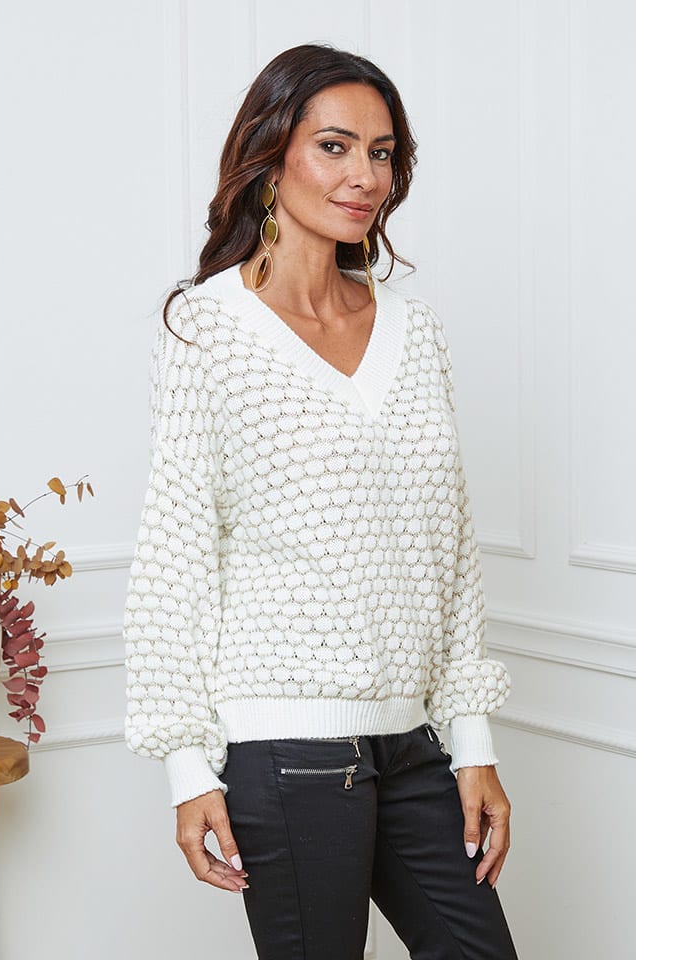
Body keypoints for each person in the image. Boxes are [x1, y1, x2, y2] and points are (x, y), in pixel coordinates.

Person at [123, 43, 519, 960]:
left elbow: (450, 551)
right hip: (285, 750)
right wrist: (188, 769)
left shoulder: (415, 330)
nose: (364, 177)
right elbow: (176, 557)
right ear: (272, 156)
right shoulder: (206, 329)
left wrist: (474, 743)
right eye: (334, 147)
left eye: (381, 153)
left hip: (413, 744)